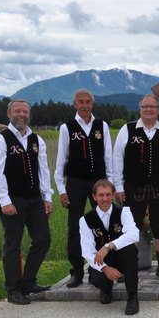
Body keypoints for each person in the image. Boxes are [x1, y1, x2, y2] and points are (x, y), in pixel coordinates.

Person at [0, 99, 53, 305]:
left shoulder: (36, 140)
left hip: (34, 198)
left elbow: (43, 170)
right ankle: (13, 289)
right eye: (17, 111)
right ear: (9, 114)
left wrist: (47, 196)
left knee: (42, 240)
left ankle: (28, 282)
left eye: (25, 111)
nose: (21, 114)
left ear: (28, 114)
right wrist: (4, 200)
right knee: (13, 245)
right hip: (12, 199)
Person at [113, 94, 159, 280]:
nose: (149, 109)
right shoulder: (127, 129)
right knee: (131, 227)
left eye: (153, 106)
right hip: (133, 187)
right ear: (140, 108)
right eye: (146, 106)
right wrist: (118, 187)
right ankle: (128, 267)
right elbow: (117, 159)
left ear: (158, 110)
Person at [54, 88, 113, 288]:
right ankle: (77, 271)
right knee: (75, 227)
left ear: (92, 104)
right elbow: (61, 161)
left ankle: (105, 266)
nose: (85, 105)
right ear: (75, 105)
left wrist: (110, 185)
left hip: (98, 181)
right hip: (76, 182)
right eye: (81, 102)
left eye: (88, 102)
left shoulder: (101, 126)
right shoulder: (66, 128)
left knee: (104, 224)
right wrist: (62, 189)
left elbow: (108, 158)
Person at [79, 179, 139, 315]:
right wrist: (105, 268)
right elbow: (87, 251)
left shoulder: (124, 211)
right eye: (101, 195)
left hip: (121, 257)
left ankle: (132, 297)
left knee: (130, 249)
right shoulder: (85, 220)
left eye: (108, 195)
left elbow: (134, 235)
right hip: (103, 261)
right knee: (97, 279)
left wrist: (108, 246)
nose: (104, 199)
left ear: (113, 195)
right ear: (94, 197)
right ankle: (106, 288)